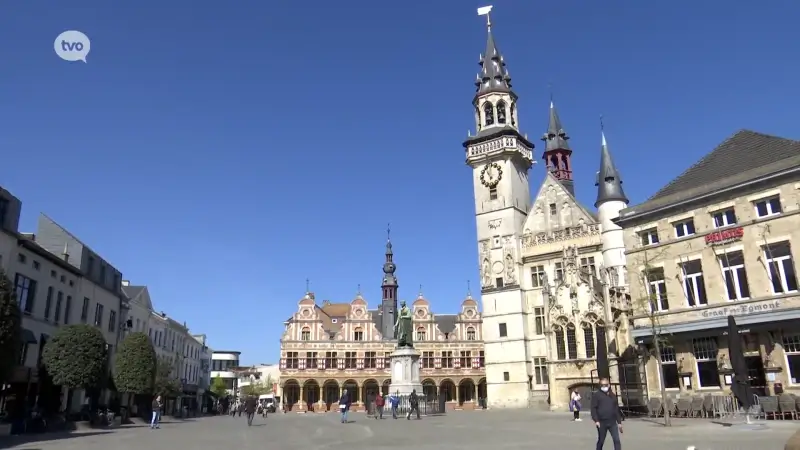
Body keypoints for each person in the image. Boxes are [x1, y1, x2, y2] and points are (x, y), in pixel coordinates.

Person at [590, 378, 622, 450]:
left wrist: (619, 422)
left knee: (616, 440)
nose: (604, 387)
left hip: (612, 422)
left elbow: (616, 409)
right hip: (602, 422)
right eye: (602, 385)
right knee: (601, 441)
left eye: (606, 385)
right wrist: (596, 420)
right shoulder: (597, 395)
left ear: (609, 385)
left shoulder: (612, 395)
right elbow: (593, 409)